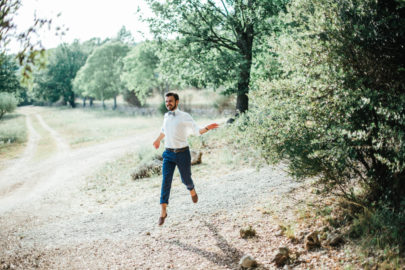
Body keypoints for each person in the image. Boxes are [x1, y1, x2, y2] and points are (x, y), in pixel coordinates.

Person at [153, 92, 219, 226]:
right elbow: (164, 131)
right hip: (168, 154)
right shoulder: (166, 116)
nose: (168, 104)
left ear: (177, 102)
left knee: (186, 179)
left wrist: (207, 128)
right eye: (166, 101)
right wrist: (157, 140)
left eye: (170, 101)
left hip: (183, 153)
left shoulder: (184, 117)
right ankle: (163, 211)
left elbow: (197, 130)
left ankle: (192, 189)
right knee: (166, 181)